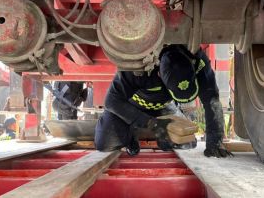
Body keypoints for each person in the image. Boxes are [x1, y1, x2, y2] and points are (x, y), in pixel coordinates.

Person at [95, 45, 232, 158]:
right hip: (129, 107)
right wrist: (151, 123)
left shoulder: (199, 62)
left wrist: (215, 143)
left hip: (163, 107)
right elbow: (112, 101)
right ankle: (130, 135)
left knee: (185, 142)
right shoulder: (138, 66)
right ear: (159, 74)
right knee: (104, 144)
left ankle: (159, 135)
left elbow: (211, 100)